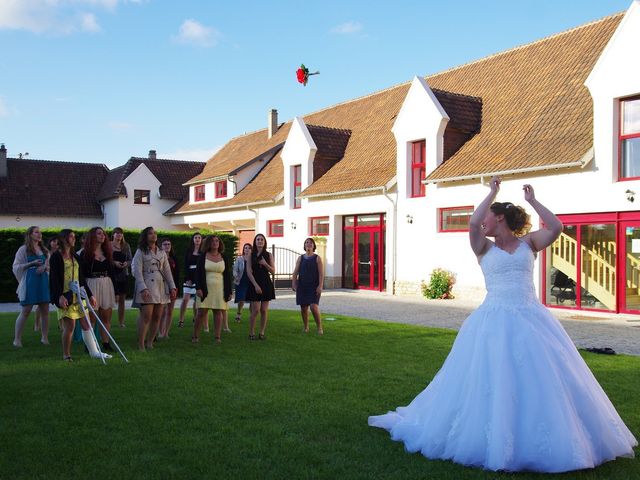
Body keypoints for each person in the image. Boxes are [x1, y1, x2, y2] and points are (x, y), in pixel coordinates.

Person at [368, 177, 638, 472]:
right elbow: (472, 224)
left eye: (487, 217)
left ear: (499, 218)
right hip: (493, 321)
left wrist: (533, 202)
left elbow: (557, 227)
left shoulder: (529, 243)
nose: (481, 221)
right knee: (493, 378)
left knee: (543, 379)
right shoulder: (482, 246)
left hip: (532, 319)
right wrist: (492, 192)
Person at [50, 229, 111, 361]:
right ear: (64, 238)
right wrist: (59, 296)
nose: (74, 239)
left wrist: (90, 295)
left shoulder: (75, 256)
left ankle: (94, 352)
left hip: (78, 295)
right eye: (71, 237)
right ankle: (66, 355)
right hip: (65, 297)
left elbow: (81, 278)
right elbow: (54, 279)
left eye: (74, 236)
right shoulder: (56, 256)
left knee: (86, 324)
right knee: (70, 326)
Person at [132, 227, 177, 351]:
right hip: (147, 286)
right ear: (145, 236)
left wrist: (172, 287)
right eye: (150, 233)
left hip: (161, 287)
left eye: (155, 233)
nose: (153, 235)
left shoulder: (161, 252)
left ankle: (150, 342)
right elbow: (137, 271)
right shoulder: (140, 251)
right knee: (146, 316)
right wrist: (142, 288)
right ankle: (141, 343)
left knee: (157, 316)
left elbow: (167, 271)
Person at [11, 226, 50, 347]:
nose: (39, 234)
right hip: (30, 282)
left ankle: (44, 337)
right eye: (36, 232)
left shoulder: (44, 250)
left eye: (40, 232)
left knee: (45, 311)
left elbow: (49, 266)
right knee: (26, 311)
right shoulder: (23, 249)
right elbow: (16, 266)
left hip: (43, 281)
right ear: (30, 234)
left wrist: (44, 267)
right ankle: (17, 339)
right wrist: (31, 264)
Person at [81, 227, 116, 352]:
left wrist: (115, 290)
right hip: (91, 284)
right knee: (91, 317)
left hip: (106, 283)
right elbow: (82, 275)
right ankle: (89, 345)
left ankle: (106, 343)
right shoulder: (85, 253)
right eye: (99, 233)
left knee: (106, 316)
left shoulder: (107, 252)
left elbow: (112, 272)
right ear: (92, 236)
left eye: (103, 234)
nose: (102, 236)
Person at [193, 235, 232, 344]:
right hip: (205, 288)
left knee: (218, 312)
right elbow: (198, 274)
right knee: (201, 312)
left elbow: (228, 276)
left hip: (220, 288)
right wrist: (198, 288)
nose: (215, 243)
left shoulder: (224, 257)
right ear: (208, 243)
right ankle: (195, 336)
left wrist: (229, 291)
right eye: (213, 241)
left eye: (217, 241)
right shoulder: (203, 256)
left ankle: (217, 337)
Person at [245, 233, 275, 340]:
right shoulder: (250, 255)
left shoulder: (269, 255)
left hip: (266, 283)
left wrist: (265, 263)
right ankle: (251, 333)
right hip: (254, 284)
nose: (260, 241)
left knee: (264, 310)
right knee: (256, 310)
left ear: (264, 242)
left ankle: (261, 333)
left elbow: (273, 271)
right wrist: (256, 285)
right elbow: (248, 272)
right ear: (255, 241)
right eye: (258, 239)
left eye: (262, 239)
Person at [292, 238, 324, 335]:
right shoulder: (300, 258)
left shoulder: (317, 258)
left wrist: (320, 285)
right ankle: (306, 327)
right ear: (304, 246)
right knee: (303, 307)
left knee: (313, 306)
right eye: (306, 242)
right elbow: (295, 272)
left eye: (310, 243)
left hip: (314, 286)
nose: (308, 244)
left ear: (313, 246)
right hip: (302, 285)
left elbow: (321, 274)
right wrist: (294, 283)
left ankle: (319, 327)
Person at [178, 232, 202, 328]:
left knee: (197, 301)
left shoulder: (203, 251)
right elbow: (185, 265)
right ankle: (181, 320)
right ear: (193, 239)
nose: (197, 239)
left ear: (201, 240)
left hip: (199, 278)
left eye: (199, 238)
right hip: (189, 278)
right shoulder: (188, 251)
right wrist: (188, 278)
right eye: (195, 237)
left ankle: (195, 318)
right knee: (185, 300)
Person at [158, 237, 179, 339]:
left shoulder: (174, 258)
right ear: (161, 246)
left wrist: (175, 287)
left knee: (170, 311)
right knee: (161, 311)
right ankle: (160, 332)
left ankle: (166, 332)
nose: (167, 246)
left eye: (168, 244)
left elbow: (177, 274)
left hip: (172, 287)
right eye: (165, 244)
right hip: (161, 287)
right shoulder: (159, 258)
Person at [111, 227, 132, 328]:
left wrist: (126, 264)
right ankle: (107, 321)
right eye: (117, 233)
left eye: (120, 233)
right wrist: (114, 263)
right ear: (113, 234)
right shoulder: (109, 245)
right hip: (111, 275)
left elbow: (130, 260)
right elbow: (105, 258)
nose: (119, 235)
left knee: (122, 300)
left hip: (123, 275)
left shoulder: (126, 246)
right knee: (110, 299)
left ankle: (121, 322)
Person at [232, 243, 252, 323]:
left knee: (252, 300)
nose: (247, 249)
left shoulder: (253, 259)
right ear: (243, 249)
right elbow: (235, 270)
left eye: (249, 248)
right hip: (241, 282)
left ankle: (252, 316)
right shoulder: (239, 259)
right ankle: (239, 313)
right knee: (241, 299)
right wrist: (236, 276)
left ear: (251, 250)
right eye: (245, 248)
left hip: (250, 282)